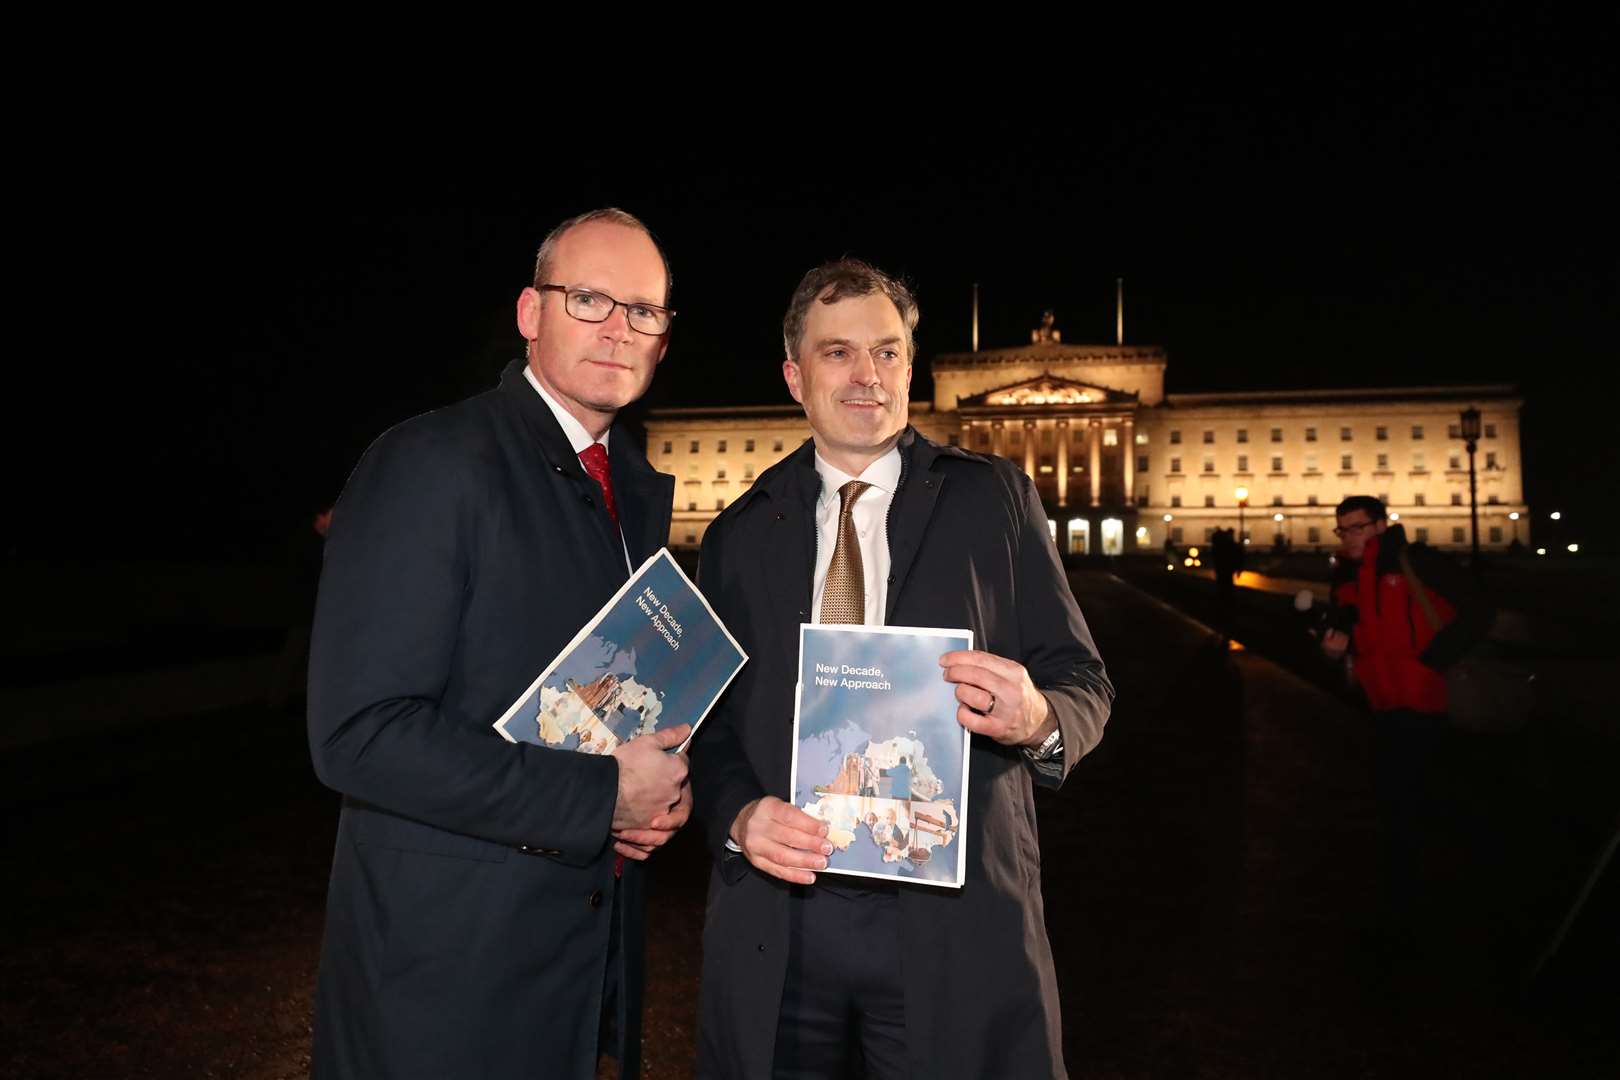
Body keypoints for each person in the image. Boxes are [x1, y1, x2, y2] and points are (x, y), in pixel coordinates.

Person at [690, 258, 1114, 1078]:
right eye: (838, 353)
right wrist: (740, 815)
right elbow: (707, 730)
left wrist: (1037, 718)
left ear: (910, 369)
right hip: (785, 918)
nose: (867, 376)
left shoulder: (994, 499)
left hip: (951, 917)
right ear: (794, 376)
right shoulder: (738, 535)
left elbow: (1083, 681)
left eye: (887, 352)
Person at [306, 208, 691, 1079]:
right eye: (588, 298)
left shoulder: (630, 485)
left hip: (576, 962)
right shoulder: (430, 461)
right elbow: (358, 734)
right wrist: (602, 795)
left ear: (664, 338)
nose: (616, 329)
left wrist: (657, 791)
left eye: (643, 310)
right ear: (530, 313)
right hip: (444, 979)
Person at [1320, 495, 1492, 936]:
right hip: (1382, 702)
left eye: (1355, 528)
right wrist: (1332, 648)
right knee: (1398, 801)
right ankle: (1412, 896)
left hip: (1432, 699)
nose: (1347, 537)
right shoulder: (1345, 576)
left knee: (1424, 797)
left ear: (1380, 526)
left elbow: (1477, 610)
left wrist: (1434, 659)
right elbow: (1342, 630)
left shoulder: (1418, 563)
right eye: (1342, 529)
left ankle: (1435, 898)